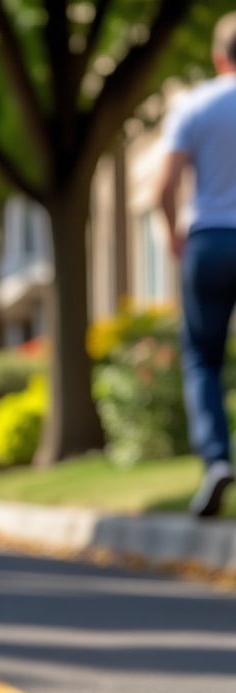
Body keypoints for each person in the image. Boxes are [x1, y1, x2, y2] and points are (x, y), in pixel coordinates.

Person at [158, 13, 236, 517]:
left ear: (217, 56)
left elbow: (162, 187)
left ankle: (215, 462)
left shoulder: (195, 104)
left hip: (209, 241)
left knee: (202, 358)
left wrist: (172, 234)